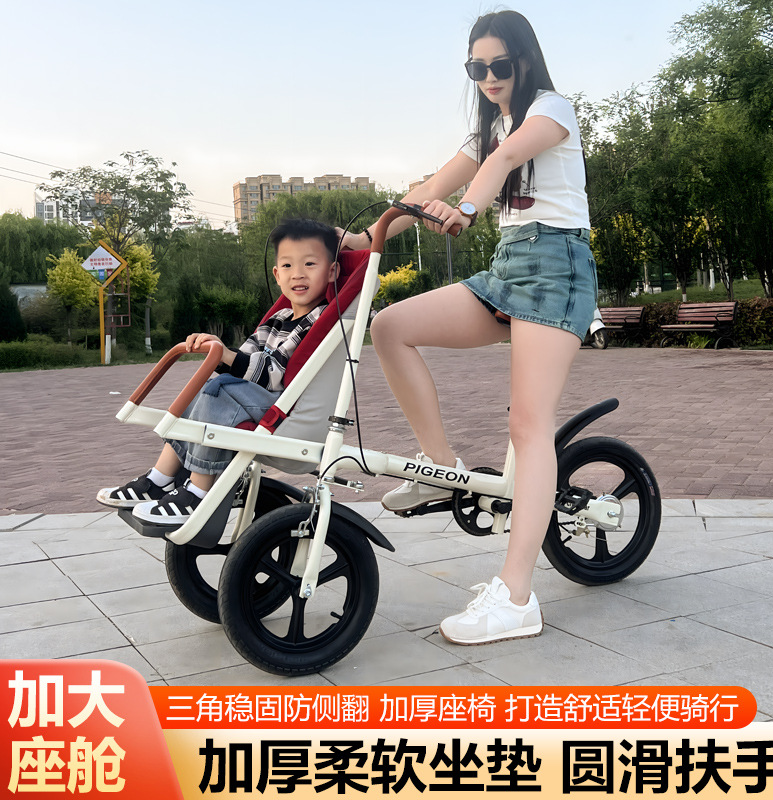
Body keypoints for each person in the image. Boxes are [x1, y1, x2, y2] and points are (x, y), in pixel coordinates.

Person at [338, 11, 597, 645]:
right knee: (391, 326)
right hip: (508, 267)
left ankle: (516, 597)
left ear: (524, 60)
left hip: (557, 267)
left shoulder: (552, 110)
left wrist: (469, 209)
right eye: (476, 67)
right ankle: (438, 464)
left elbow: (506, 160)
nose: (487, 77)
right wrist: (363, 238)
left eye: (498, 65)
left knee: (527, 425)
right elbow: (432, 183)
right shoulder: (485, 130)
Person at [97, 218, 339, 525]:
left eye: (310, 264)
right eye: (288, 265)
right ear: (277, 275)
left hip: (284, 409)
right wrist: (221, 351)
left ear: (332, 271)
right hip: (261, 399)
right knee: (204, 388)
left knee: (219, 391)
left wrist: (226, 355)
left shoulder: (319, 320)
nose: (298, 274)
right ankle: (160, 478)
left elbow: (273, 375)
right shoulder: (278, 318)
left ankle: (199, 492)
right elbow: (246, 358)